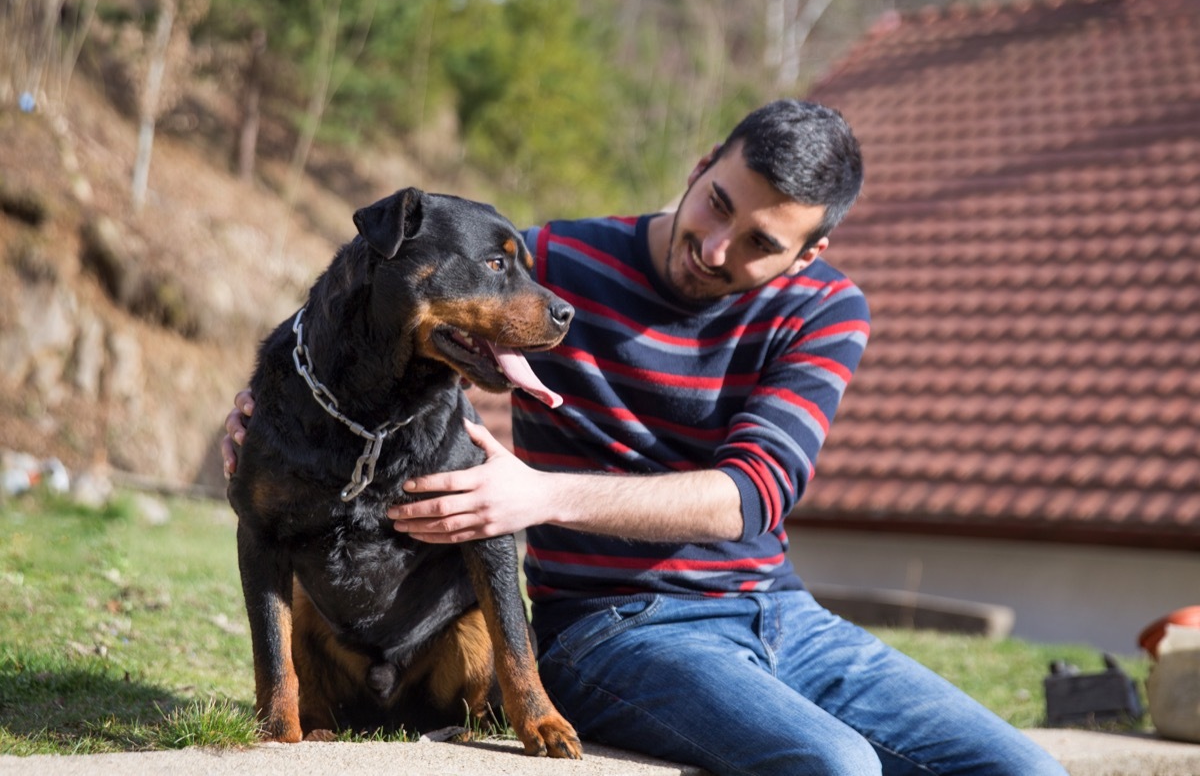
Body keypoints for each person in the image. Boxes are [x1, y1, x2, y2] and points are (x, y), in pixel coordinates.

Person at [222, 99, 1066, 776]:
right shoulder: (553, 265)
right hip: (614, 626)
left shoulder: (825, 309)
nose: (714, 243)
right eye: (717, 202)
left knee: (1029, 768)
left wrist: (543, 494)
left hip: (780, 612)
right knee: (836, 765)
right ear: (699, 167)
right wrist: (265, 402)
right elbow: (371, 303)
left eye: (760, 242)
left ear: (810, 255)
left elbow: (753, 495)